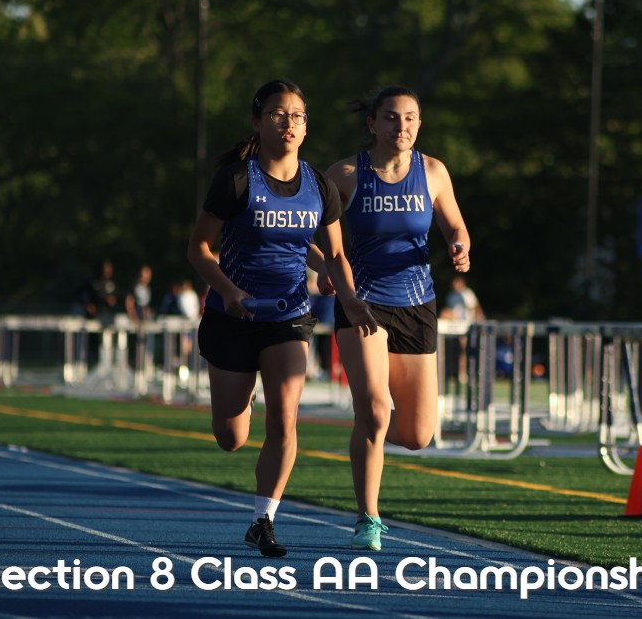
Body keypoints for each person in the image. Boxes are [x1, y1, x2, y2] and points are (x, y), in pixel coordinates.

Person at [186, 78, 376, 557]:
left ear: (306, 127)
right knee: (231, 438)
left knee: (286, 421)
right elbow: (199, 249)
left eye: (297, 116)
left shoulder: (320, 185)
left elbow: (335, 253)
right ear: (257, 121)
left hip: (288, 315)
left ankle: (263, 520)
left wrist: (349, 297)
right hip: (232, 316)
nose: (288, 123)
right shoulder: (236, 180)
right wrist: (229, 291)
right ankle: (243, 397)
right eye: (277, 114)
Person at [323, 84, 470, 551]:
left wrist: (459, 246)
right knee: (374, 410)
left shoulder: (433, 172)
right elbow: (304, 228)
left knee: (417, 434)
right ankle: (368, 517)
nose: (400, 126)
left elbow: (456, 225)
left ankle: (370, 441)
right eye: (390, 117)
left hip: (417, 304)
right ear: (372, 123)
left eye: (409, 118)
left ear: (419, 124)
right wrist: (326, 271)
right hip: (362, 304)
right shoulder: (346, 174)